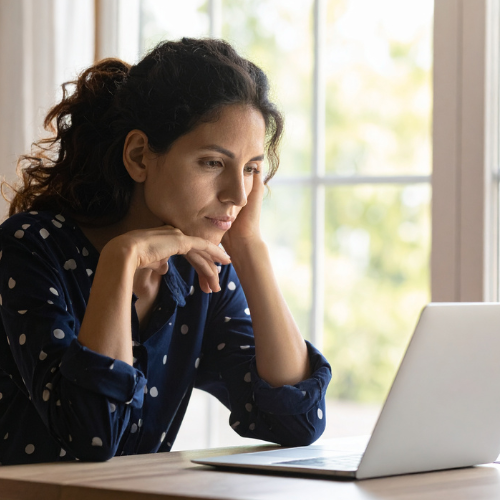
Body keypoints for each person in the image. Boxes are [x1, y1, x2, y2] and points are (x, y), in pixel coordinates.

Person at [0, 38, 331, 465]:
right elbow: (94, 435)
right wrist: (122, 259)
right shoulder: (30, 247)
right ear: (139, 156)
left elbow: (297, 423)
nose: (237, 194)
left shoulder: (201, 271)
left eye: (250, 169)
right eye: (213, 163)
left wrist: (249, 248)